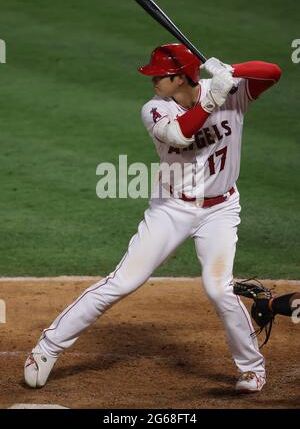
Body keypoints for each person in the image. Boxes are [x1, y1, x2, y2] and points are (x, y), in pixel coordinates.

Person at [24, 43, 281, 393]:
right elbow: (180, 134)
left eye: (159, 75)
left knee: (219, 288)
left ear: (179, 77)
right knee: (122, 282)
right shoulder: (155, 108)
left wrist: (230, 71)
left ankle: (252, 369)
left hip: (220, 210)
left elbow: (273, 71)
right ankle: (47, 348)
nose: (152, 81)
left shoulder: (228, 90)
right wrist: (211, 98)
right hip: (171, 208)